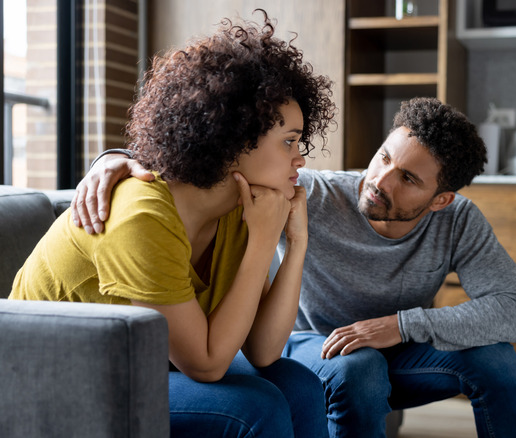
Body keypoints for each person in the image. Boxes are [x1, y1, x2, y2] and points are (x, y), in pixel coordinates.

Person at [74, 97, 516, 438]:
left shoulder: (459, 222)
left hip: (397, 349)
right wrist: (118, 159)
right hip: (309, 346)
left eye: (408, 178)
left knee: (496, 360)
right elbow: (215, 165)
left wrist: (400, 326)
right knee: (359, 369)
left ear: (440, 200)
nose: (379, 180)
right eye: (384, 157)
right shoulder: (315, 194)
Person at [11, 11, 336, 438]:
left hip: (141, 363)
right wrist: (261, 241)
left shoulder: (240, 209)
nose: (300, 159)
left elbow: (263, 350)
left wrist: (296, 242)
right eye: (289, 141)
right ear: (233, 137)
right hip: (53, 379)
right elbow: (207, 364)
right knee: (255, 408)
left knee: (300, 386)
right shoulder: (141, 213)